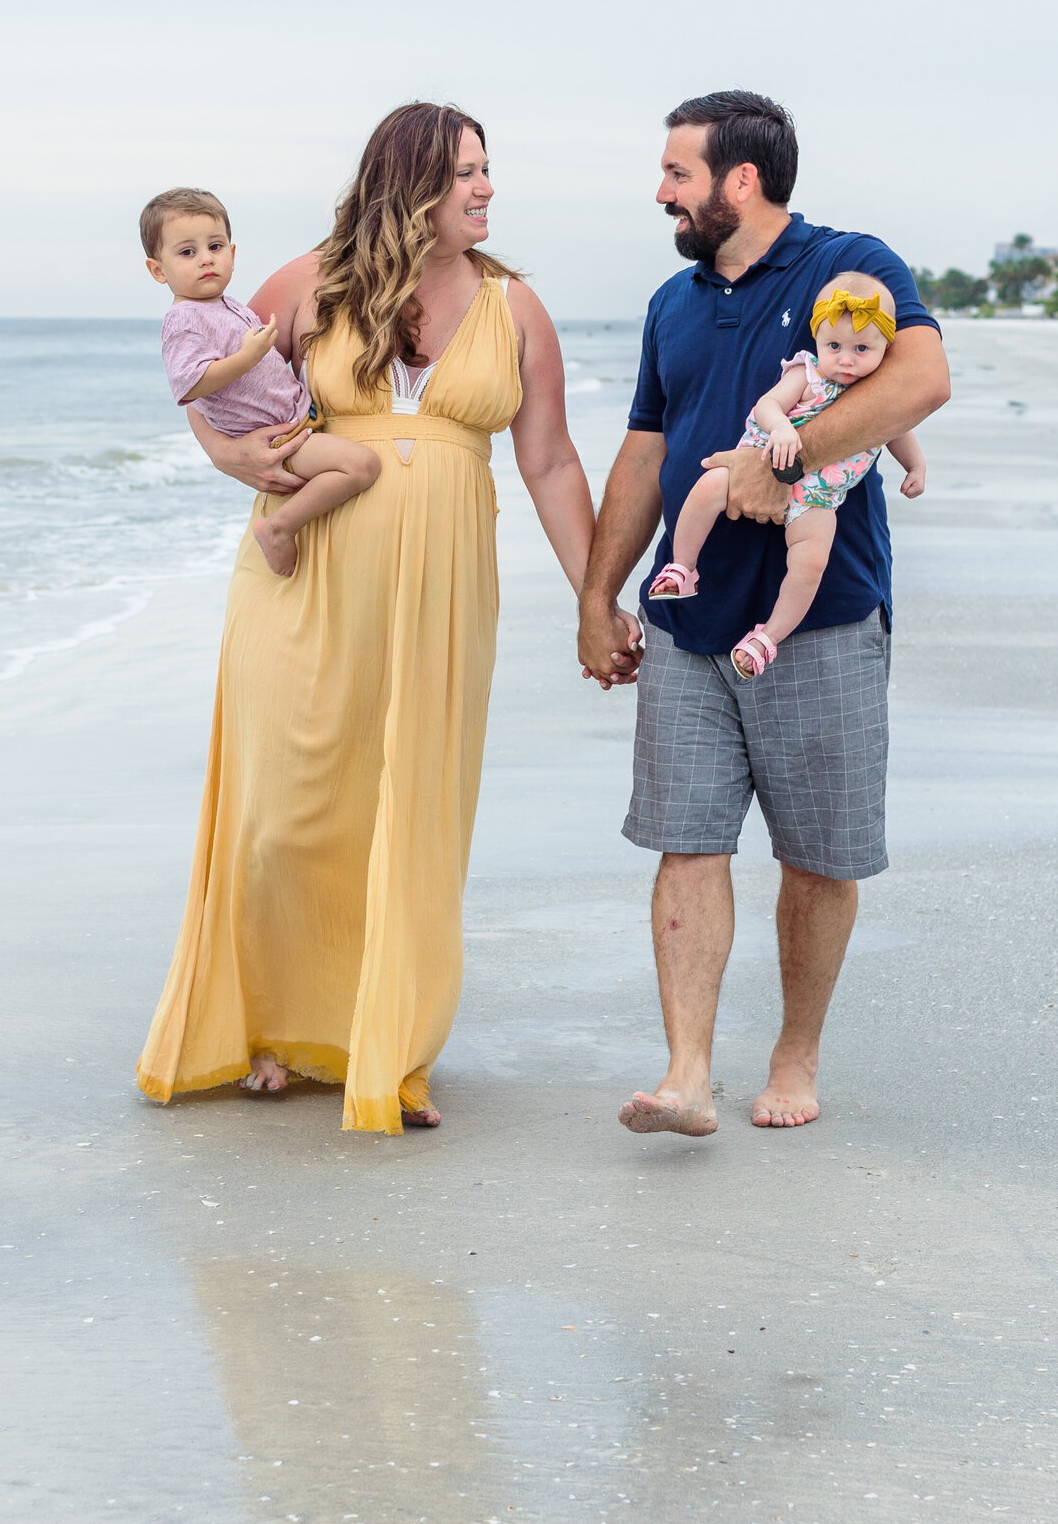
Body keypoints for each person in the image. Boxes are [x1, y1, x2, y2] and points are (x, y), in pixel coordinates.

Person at [138, 103, 621, 1132]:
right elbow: (212, 383)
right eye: (464, 174)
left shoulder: (514, 306)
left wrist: (594, 600)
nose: (486, 189)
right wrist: (227, 459)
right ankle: (270, 1026)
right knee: (284, 810)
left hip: (442, 585)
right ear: (408, 185)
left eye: (489, 171)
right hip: (301, 568)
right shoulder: (309, 283)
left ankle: (387, 1046)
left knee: (412, 814)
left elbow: (547, 460)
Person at [577, 90, 950, 1134]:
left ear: (741, 180)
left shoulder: (849, 264)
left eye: (678, 174)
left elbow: (924, 379)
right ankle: (687, 1074)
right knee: (685, 840)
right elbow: (647, 453)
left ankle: (795, 1057)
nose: (662, 193)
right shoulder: (673, 303)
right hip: (690, 629)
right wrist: (597, 596)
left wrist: (786, 458)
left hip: (819, 617)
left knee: (818, 857)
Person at [647, 271, 926, 678]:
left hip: (818, 496)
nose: (845, 359)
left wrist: (914, 465)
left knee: (810, 562)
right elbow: (767, 405)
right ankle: (683, 566)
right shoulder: (808, 374)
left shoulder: (879, 395)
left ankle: (768, 637)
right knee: (708, 485)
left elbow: (898, 428)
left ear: (886, 346)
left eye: (862, 348)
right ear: (817, 341)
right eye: (834, 346)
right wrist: (780, 427)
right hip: (759, 460)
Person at [142, 188, 380, 576]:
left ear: (232, 255)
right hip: (277, 438)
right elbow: (188, 384)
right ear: (157, 270)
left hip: (299, 420)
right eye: (187, 252)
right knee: (362, 466)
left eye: (215, 246)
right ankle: (278, 529)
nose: (206, 259)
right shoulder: (183, 319)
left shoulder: (228, 305)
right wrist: (246, 358)